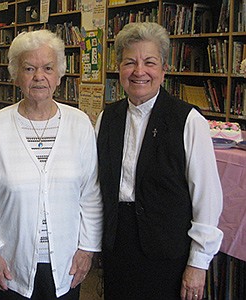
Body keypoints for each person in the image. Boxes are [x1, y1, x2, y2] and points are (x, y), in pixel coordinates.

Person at [95, 22, 223, 300]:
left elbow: (207, 197)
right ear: (119, 69)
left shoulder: (188, 120)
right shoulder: (107, 118)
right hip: (118, 246)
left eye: (149, 62)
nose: (139, 71)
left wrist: (198, 264)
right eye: (130, 62)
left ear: (164, 69)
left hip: (168, 251)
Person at [0, 29, 103, 300]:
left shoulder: (80, 125)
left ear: (59, 75)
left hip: (67, 264)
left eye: (47, 68)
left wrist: (87, 249)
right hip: (10, 265)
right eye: (29, 68)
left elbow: (91, 194)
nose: (39, 76)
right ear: (16, 74)